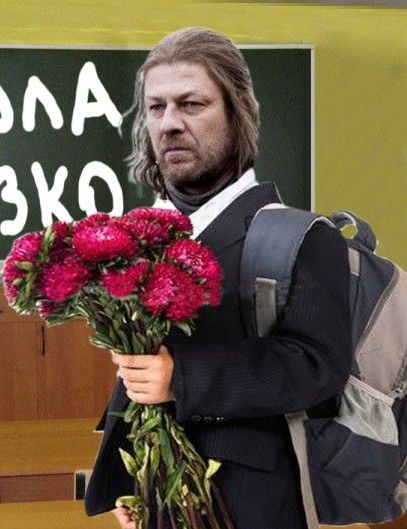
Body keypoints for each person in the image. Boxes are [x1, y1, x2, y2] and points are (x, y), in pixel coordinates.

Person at [84, 27, 352, 529]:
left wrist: (181, 377)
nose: (170, 123)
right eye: (156, 107)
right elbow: (142, 375)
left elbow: (317, 369)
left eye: (192, 104)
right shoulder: (138, 238)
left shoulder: (303, 237)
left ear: (237, 113)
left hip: (255, 507)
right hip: (158, 499)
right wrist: (137, 480)